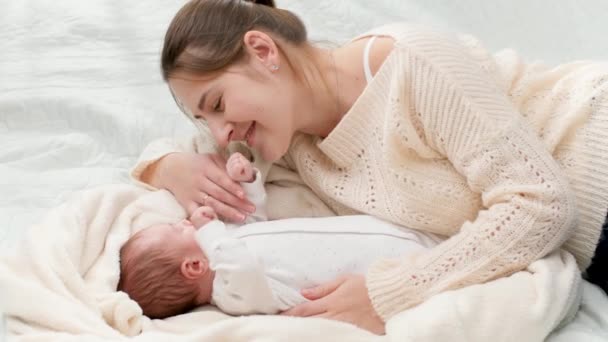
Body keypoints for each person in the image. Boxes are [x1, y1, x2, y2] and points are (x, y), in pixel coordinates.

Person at [130, 0, 608, 335]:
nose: (219, 134)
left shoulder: (406, 65)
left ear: (263, 51)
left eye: (217, 104)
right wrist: (170, 167)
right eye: (202, 120)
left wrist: (391, 293)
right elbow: (165, 150)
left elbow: (541, 205)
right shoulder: (288, 139)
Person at [118, 210, 437, 319]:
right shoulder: (230, 292)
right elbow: (245, 266)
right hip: (381, 260)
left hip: (370, 233)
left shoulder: (229, 245)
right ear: (193, 268)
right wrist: (208, 231)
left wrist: (250, 183)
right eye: (177, 229)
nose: (184, 222)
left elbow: (257, 224)